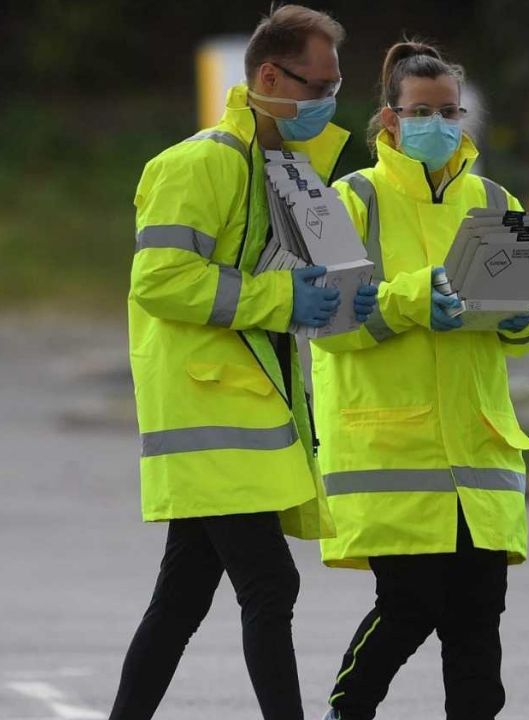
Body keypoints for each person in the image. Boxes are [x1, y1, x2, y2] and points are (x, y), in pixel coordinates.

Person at [113, 6, 355, 720]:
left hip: (240, 409)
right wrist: (278, 298)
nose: (329, 103)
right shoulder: (198, 164)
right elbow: (157, 278)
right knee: (270, 585)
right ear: (269, 76)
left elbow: (302, 282)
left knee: (183, 598)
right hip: (207, 409)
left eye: (336, 88)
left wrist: (348, 303)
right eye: (317, 88)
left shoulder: (284, 169)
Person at [310, 40, 529, 720]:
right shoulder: (347, 200)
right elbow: (325, 320)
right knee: (409, 607)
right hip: (393, 452)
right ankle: (344, 711)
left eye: (451, 110)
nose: (440, 123)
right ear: (390, 119)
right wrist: (415, 299)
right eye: (424, 110)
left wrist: (519, 317)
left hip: (477, 453)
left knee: (478, 622)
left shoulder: (497, 199)